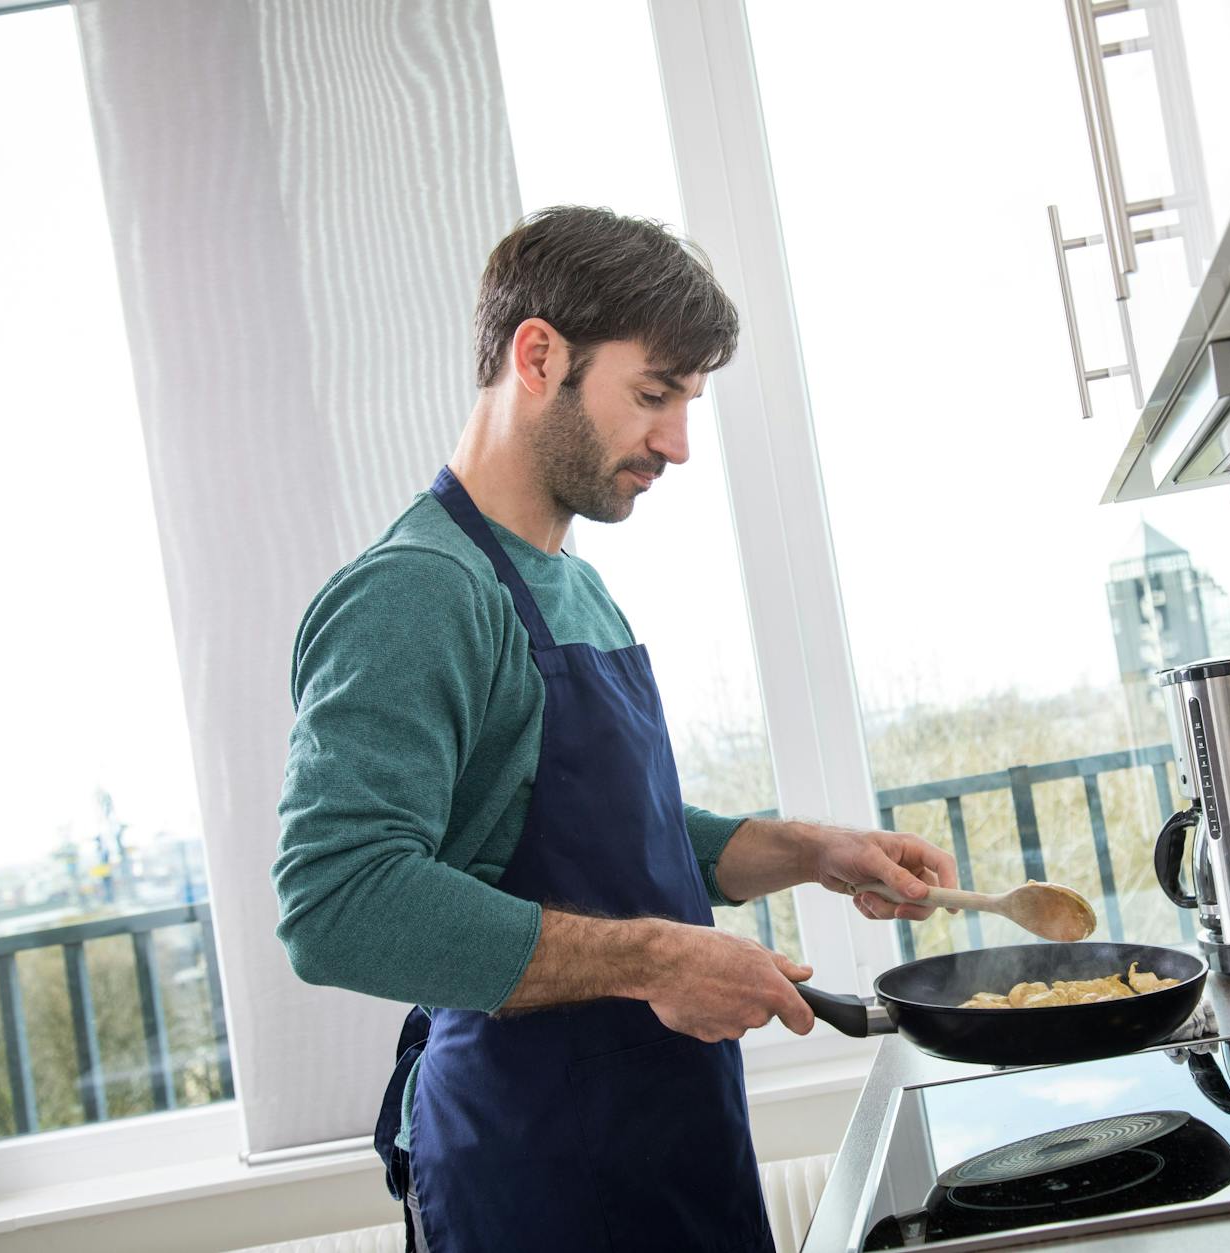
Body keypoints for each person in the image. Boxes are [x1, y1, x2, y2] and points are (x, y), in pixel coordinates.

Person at [273, 206, 958, 1252]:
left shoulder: (574, 585)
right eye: (654, 394)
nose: (678, 442)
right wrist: (654, 959)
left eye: (687, 401)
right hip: (532, 1172)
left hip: (668, 1144)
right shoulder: (416, 592)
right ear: (538, 355)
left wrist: (809, 850)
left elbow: (610, 830)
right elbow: (334, 899)